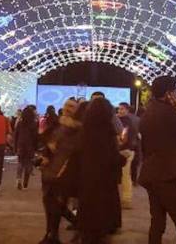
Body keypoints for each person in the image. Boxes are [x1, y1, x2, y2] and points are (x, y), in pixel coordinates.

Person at [139, 76, 176, 244]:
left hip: (150, 173)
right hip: (166, 175)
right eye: (175, 91)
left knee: (157, 221)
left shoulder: (148, 111)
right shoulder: (169, 112)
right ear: (169, 93)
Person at [76, 98, 125, 243]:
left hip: (87, 181)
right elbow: (112, 158)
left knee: (89, 220)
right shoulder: (107, 132)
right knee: (102, 223)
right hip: (105, 183)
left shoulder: (84, 131)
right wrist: (122, 159)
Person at [38, 98, 81, 244]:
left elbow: (75, 151)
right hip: (49, 170)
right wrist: (46, 153)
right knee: (50, 205)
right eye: (67, 105)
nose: (68, 108)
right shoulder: (57, 124)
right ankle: (52, 234)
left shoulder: (78, 129)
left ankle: (54, 235)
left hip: (63, 173)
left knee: (57, 206)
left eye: (72, 107)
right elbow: (46, 140)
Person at [117, 102, 138, 209]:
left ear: (127, 110)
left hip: (124, 151)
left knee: (125, 176)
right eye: (119, 109)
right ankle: (126, 199)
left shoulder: (124, 122)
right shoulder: (130, 120)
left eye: (122, 109)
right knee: (126, 175)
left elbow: (123, 138)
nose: (119, 111)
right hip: (129, 150)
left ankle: (126, 199)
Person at [14, 105, 39, 190]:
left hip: (21, 145)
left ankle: (18, 179)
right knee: (28, 164)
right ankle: (25, 184)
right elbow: (35, 137)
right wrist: (36, 148)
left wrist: (15, 146)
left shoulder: (20, 123)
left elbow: (16, 135)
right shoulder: (34, 124)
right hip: (30, 146)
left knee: (20, 162)